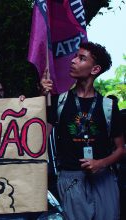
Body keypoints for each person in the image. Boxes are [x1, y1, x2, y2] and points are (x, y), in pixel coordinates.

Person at [41, 42, 125, 220]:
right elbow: (38, 138)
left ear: (95, 69)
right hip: (71, 180)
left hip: (104, 180)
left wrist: (100, 163)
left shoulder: (108, 106)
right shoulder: (59, 102)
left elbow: (120, 149)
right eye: (74, 56)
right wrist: (40, 98)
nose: (73, 61)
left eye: (81, 58)